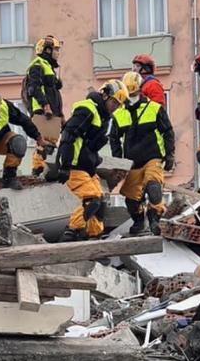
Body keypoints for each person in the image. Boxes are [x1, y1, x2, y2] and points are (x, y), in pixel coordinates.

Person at [54, 80, 128, 241]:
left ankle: (95, 237)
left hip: (86, 166)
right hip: (74, 165)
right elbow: (69, 136)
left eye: (118, 104)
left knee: (100, 202)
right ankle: (71, 232)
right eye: (114, 102)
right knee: (92, 199)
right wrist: (65, 166)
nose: (115, 106)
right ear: (105, 95)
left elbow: (90, 146)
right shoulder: (87, 109)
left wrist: (94, 159)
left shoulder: (104, 118)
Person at [111, 72, 175, 236]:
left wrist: (169, 155)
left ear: (141, 90)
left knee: (153, 188)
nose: (132, 97)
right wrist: (119, 161)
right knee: (131, 200)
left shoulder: (154, 108)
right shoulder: (119, 114)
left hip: (152, 157)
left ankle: (154, 219)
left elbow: (168, 132)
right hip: (132, 163)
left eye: (134, 94)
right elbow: (114, 138)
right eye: (129, 95)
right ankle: (139, 222)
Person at [23, 35, 64, 175]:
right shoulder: (37, 65)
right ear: (47, 50)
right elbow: (34, 88)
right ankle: (38, 170)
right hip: (42, 111)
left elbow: (54, 92)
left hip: (52, 112)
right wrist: (45, 105)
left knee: (51, 144)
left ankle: (45, 170)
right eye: (56, 49)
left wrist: (60, 114)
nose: (58, 53)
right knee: (44, 144)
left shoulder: (48, 67)